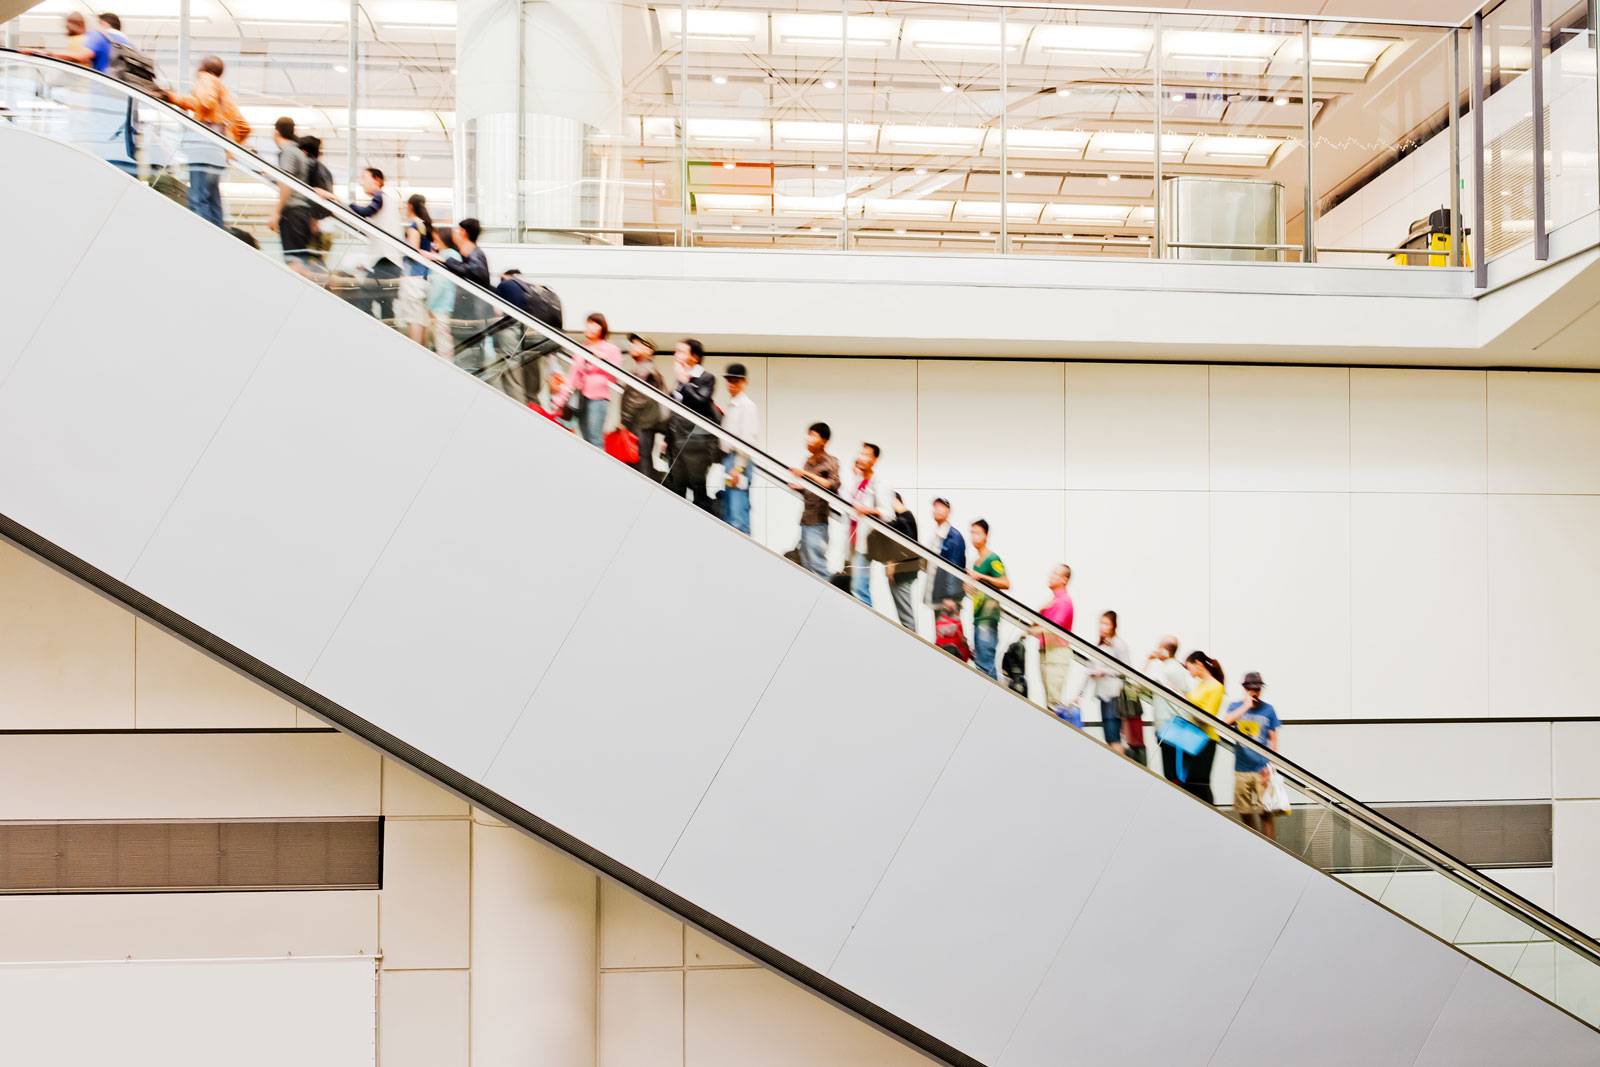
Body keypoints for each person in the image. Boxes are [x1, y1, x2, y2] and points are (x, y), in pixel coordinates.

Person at [164, 56, 249, 228]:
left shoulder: (206, 78)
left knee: (197, 198)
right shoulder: (224, 94)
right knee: (212, 199)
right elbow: (243, 126)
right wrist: (228, 144)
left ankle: (202, 235)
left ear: (203, 68)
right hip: (217, 153)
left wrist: (174, 98)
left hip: (202, 148)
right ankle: (219, 236)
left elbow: (206, 101)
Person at [1222, 672, 1281, 839]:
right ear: (1245, 689)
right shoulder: (1236, 706)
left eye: (1258, 689)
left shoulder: (1268, 709)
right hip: (1242, 767)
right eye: (1251, 689)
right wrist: (1246, 706)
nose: (1255, 692)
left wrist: (1271, 767)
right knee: (1244, 810)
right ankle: (1256, 842)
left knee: (1266, 812)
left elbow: (1273, 740)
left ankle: (1270, 849)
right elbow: (1225, 722)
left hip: (1262, 768)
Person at [553, 313, 622, 448]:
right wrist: (560, 399)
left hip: (598, 398)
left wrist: (603, 359)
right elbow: (572, 377)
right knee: (585, 439)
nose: (590, 327)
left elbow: (614, 376)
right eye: (588, 324)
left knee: (595, 438)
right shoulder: (581, 349)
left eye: (595, 324)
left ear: (602, 328)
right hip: (580, 398)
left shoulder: (611, 349)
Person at [666, 339, 719, 512]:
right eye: (676, 351)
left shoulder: (706, 378)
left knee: (698, 487)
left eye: (681, 351)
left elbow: (700, 402)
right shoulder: (679, 381)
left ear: (694, 357)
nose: (676, 355)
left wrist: (684, 381)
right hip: (677, 440)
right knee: (677, 486)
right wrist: (667, 438)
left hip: (698, 442)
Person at [787, 422, 840, 579]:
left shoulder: (830, 461)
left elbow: (832, 484)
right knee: (807, 565)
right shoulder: (808, 462)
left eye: (813, 435)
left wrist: (805, 474)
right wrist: (800, 488)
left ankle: (827, 599)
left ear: (824, 441)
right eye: (808, 434)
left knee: (817, 565)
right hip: (806, 519)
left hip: (818, 522)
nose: (808, 438)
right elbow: (812, 489)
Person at [846, 443, 893, 608]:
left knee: (859, 587)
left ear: (875, 459)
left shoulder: (880, 483)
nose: (861, 457)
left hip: (865, 544)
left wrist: (867, 510)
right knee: (854, 587)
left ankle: (867, 623)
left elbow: (888, 513)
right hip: (853, 539)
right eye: (861, 453)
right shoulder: (859, 481)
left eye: (866, 455)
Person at [719, 363, 760, 535]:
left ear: (744, 382)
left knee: (737, 515)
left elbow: (748, 440)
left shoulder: (747, 406)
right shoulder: (733, 404)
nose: (731, 384)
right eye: (728, 380)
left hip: (739, 461)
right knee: (730, 514)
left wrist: (738, 467)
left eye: (735, 380)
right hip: (730, 461)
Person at [1180, 651, 1226, 804]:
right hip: (1192, 737)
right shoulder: (1200, 685)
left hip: (1205, 740)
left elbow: (1208, 716)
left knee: (1199, 784)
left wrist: (1187, 702)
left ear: (1198, 664)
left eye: (1189, 667)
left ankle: (1210, 816)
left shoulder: (1216, 687)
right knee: (1188, 783)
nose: (1189, 672)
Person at [966, 519, 1009, 679]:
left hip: (988, 618)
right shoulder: (976, 562)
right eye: (972, 533)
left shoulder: (993, 559)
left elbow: (1005, 583)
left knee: (986, 664)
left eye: (977, 533)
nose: (973, 537)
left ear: (986, 535)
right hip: (978, 617)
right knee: (980, 663)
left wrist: (980, 576)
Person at [269, 117, 315, 267]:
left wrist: (276, 212)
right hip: (302, 211)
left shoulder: (288, 152)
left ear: (276, 132)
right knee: (300, 260)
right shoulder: (298, 152)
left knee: (294, 262)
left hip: (292, 212)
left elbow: (287, 184)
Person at [620, 335, 667, 479]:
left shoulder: (644, 369)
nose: (632, 347)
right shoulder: (647, 368)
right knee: (642, 458)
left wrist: (624, 421)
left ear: (649, 350)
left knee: (641, 459)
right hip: (645, 423)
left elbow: (636, 399)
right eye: (632, 344)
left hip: (640, 423)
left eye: (637, 344)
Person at [1145, 635, 1191, 782]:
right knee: (1175, 771)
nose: (1156, 650)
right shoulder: (1179, 669)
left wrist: (1149, 660)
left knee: (1172, 773)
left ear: (1165, 651)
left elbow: (1139, 684)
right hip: (1175, 725)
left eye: (1159, 647)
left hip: (1169, 725)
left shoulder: (1165, 670)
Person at [1034, 563, 1076, 722]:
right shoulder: (1053, 601)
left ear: (1064, 579)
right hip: (1047, 653)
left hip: (1056, 654)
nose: (1051, 576)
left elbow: (1052, 628)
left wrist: (1031, 631)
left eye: (1056, 574)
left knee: (1053, 703)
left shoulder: (1063, 602)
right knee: (1050, 702)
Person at [1087, 610, 1132, 754]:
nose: (1102, 626)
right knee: (1109, 736)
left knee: (1113, 737)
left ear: (1113, 626)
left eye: (1106, 623)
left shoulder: (1118, 644)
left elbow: (1126, 670)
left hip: (1114, 695)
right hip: (1103, 694)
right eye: (1101, 623)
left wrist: (1104, 672)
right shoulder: (1101, 644)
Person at [397, 194, 435, 345]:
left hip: (413, 279)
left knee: (413, 320)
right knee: (422, 320)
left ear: (410, 206)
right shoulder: (425, 225)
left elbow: (413, 252)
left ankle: (416, 355)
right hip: (424, 279)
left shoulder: (414, 226)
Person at [926, 497, 967, 622]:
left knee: (949, 635)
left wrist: (950, 596)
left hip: (947, 599)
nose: (937, 510)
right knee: (943, 634)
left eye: (941, 507)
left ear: (948, 511)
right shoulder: (937, 534)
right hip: (939, 594)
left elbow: (954, 568)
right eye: (935, 507)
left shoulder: (953, 536)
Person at [884, 492, 920, 629]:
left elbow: (903, 546)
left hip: (902, 573)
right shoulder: (901, 519)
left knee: (905, 613)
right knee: (904, 611)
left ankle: (913, 643)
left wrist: (891, 563)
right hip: (903, 572)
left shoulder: (905, 519)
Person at [425, 224, 460, 360]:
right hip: (443, 305)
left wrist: (428, 306)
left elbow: (439, 283)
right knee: (442, 341)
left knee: (442, 343)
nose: (434, 243)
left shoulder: (447, 256)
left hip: (438, 307)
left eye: (437, 240)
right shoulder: (450, 255)